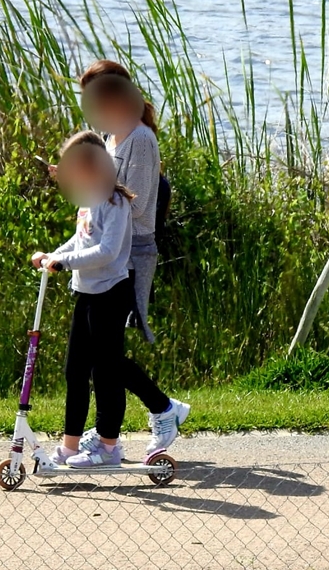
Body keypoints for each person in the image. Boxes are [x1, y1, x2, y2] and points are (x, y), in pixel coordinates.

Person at [77, 60, 190, 455]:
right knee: (100, 354)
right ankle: (123, 426)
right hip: (108, 253)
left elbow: (138, 208)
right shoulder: (111, 135)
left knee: (105, 354)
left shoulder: (140, 139)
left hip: (130, 254)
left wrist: (95, 191)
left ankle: (159, 411)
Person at [31, 131, 137, 468]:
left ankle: (108, 447)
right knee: (75, 371)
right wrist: (52, 255)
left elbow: (106, 252)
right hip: (87, 294)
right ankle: (70, 446)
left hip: (110, 294)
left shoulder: (115, 202)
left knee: (106, 372)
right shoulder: (87, 200)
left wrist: (65, 262)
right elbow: (79, 242)